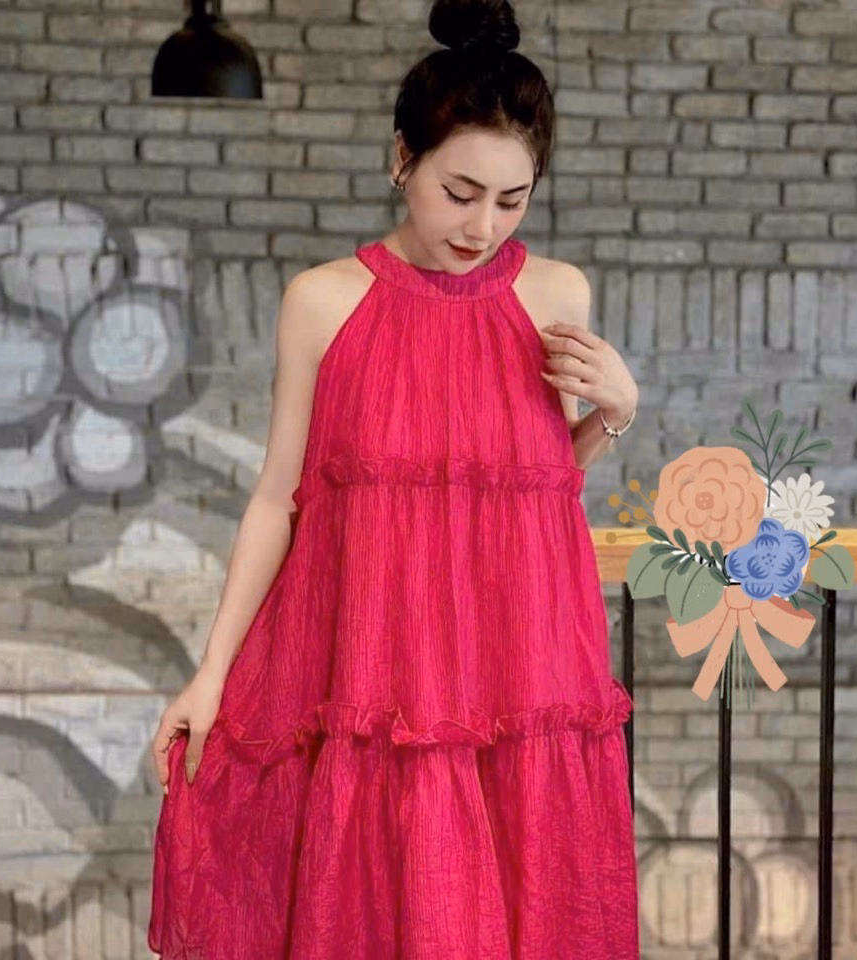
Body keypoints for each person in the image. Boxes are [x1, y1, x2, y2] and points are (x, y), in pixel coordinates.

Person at [147, 0, 640, 956]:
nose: (483, 225)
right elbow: (277, 498)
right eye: (460, 191)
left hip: (518, 662)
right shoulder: (324, 302)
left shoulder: (557, 294)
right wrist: (211, 673)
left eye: (513, 200)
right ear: (401, 159)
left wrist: (616, 409)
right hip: (371, 665)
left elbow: (536, 491)